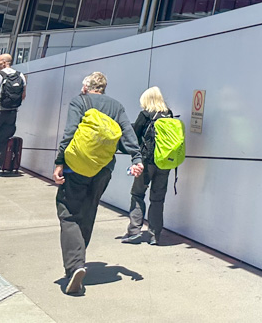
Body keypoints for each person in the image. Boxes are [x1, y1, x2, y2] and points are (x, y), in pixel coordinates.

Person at [53, 72, 142, 295]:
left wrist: (59, 162)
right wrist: (136, 159)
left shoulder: (79, 101)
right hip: (103, 170)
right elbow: (128, 133)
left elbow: (69, 133)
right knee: (89, 211)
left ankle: (75, 265)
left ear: (85, 87)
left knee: (68, 213)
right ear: (103, 88)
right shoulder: (116, 106)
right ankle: (78, 261)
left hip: (76, 168)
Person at [123, 87, 174, 245]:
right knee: (158, 199)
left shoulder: (145, 114)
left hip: (147, 162)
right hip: (165, 162)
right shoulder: (169, 114)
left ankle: (134, 232)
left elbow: (134, 135)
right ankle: (154, 235)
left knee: (137, 194)